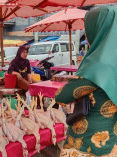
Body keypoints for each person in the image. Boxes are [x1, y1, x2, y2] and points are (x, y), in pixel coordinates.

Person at [55, 6, 117, 157]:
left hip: (88, 145)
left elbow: (62, 96)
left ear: (98, 30)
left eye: (88, 29)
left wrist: (72, 98)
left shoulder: (99, 64)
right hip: (111, 141)